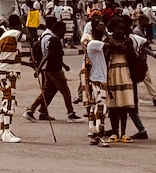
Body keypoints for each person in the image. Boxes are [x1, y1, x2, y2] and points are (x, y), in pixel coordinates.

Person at [25, 19, 80, 122]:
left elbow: (53, 56)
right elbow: (47, 56)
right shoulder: (54, 41)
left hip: (50, 69)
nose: (64, 33)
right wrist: (38, 70)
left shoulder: (52, 39)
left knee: (45, 93)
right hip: (54, 70)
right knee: (66, 92)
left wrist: (64, 65)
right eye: (63, 30)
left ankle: (30, 110)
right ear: (59, 30)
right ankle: (70, 113)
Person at [0, 22, 24, 143]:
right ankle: (7, 131)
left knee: (5, 101)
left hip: (3, 72)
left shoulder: (3, 37)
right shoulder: (14, 34)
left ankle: (2, 129)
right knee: (9, 101)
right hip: (8, 73)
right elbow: (26, 37)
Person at [82, 19, 110, 147]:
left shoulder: (96, 44)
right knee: (101, 109)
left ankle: (94, 134)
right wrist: (106, 32)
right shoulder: (93, 44)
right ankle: (100, 135)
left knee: (95, 109)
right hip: (98, 80)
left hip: (97, 79)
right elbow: (112, 44)